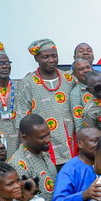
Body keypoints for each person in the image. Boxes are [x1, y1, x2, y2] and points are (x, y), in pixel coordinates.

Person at [18, 39, 78, 167]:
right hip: (44, 144)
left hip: (70, 143)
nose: (51, 60)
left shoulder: (69, 79)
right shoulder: (27, 83)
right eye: (45, 57)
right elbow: (22, 117)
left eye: (54, 56)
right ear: (36, 58)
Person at [68, 58, 93, 132]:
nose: (86, 71)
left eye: (88, 67)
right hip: (92, 135)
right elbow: (78, 123)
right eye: (81, 69)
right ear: (75, 74)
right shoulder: (75, 94)